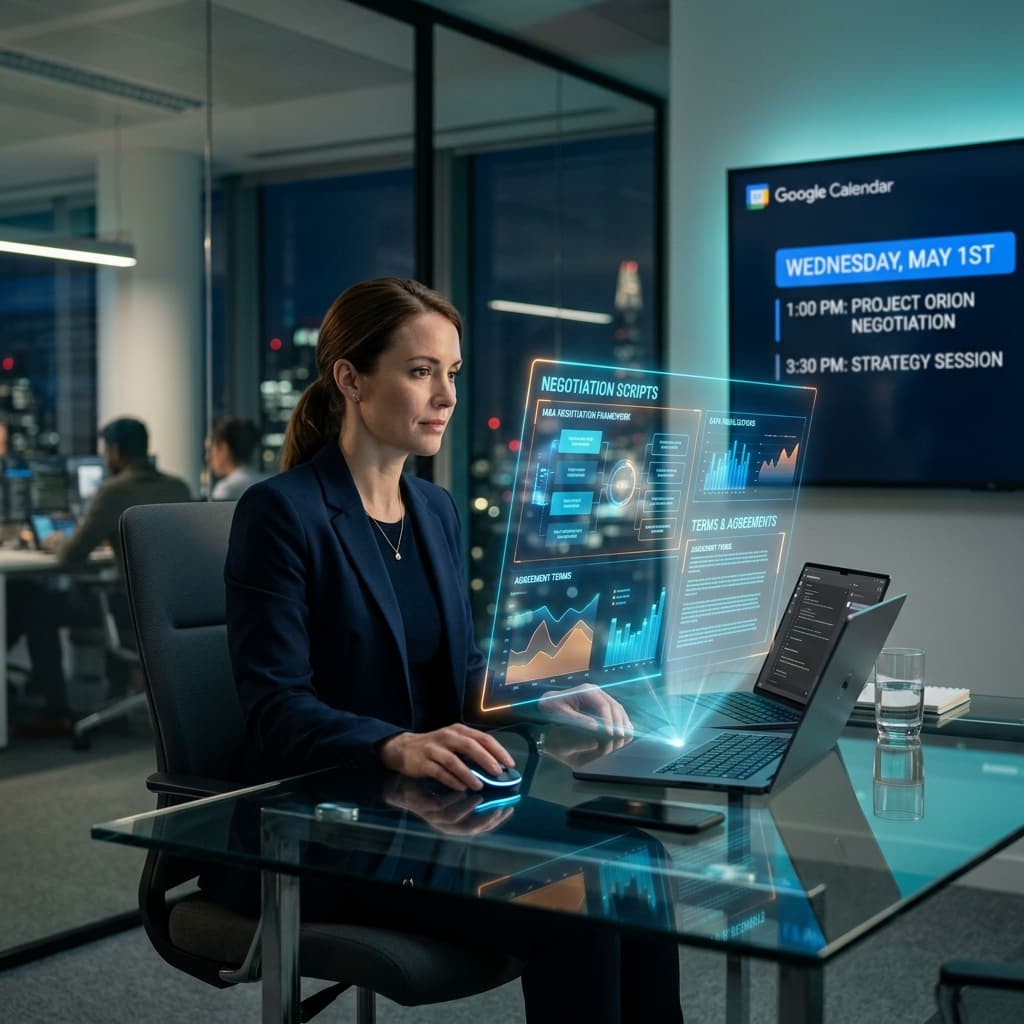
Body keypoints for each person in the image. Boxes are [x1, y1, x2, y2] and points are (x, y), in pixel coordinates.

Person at [219, 277, 684, 1023]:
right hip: (324, 826)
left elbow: (458, 669)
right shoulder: (282, 514)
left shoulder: (431, 510)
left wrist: (531, 697)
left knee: (639, 861)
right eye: (419, 371)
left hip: (427, 812)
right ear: (350, 379)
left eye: (453, 373)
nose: (446, 395)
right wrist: (396, 745)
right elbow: (276, 707)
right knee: (575, 907)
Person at [6, 418, 191, 732]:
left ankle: (56, 710)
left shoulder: (114, 491)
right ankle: (113, 695)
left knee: (38, 608)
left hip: (128, 613)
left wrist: (54, 541)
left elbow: (70, 556)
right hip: (174, 609)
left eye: (107, 451)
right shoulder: (179, 487)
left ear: (116, 451)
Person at [206, 417, 265, 500]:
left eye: (210, 450)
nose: (207, 457)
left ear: (224, 449)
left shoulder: (227, 489)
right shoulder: (265, 481)